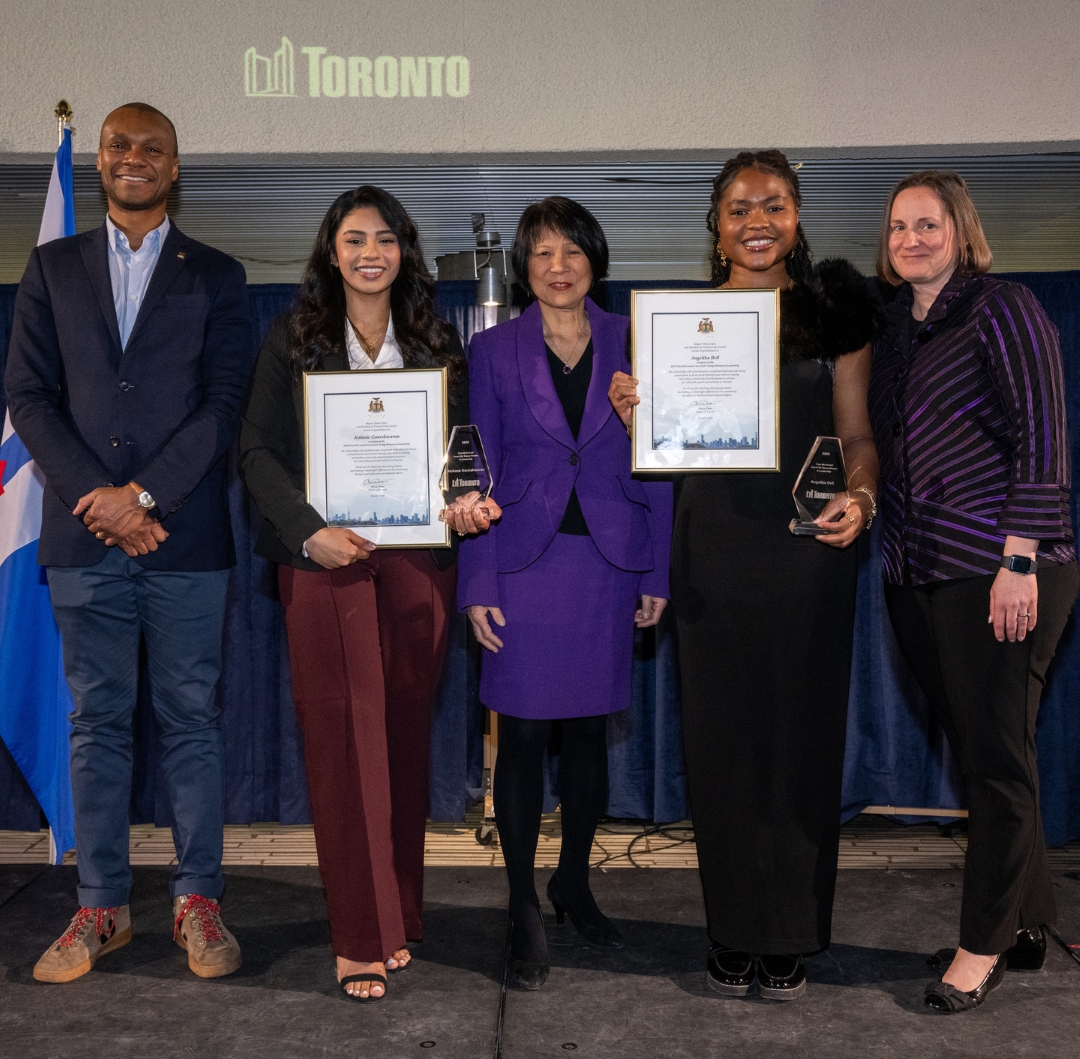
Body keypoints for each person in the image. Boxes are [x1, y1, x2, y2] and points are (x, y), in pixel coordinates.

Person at [611, 150, 882, 1001]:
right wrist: (635, 422)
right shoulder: (676, 321)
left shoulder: (835, 315)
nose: (756, 220)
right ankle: (731, 928)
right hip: (713, 552)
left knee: (801, 739)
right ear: (715, 224)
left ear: (797, 217)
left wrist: (865, 499)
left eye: (774, 204)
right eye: (738, 207)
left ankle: (792, 930)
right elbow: (658, 464)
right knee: (721, 744)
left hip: (810, 552)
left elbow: (859, 434)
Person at [6, 103, 252, 983]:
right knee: (96, 725)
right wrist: (99, 502)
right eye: (119, 145)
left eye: (152, 147)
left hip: (184, 543)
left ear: (176, 166)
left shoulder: (218, 275)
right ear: (97, 163)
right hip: (83, 545)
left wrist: (142, 497)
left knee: (192, 723)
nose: (133, 158)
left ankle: (198, 902)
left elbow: (224, 406)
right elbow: (29, 398)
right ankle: (100, 907)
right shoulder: (51, 267)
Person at [239, 186, 497, 1002]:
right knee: (342, 745)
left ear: (405, 251)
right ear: (331, 252)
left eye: (385, 238)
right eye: (354, 239)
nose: (370, 252)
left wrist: (463, 500)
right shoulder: (293, 337)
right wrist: (310, 530)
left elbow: (461, 454)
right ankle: (358, 935)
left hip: (418, 563)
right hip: (324, 562)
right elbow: (255, 453)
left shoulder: (437, 341)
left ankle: (398, 911)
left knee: (402, 742)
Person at [869, 170, 1077, 1013]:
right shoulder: (895, 331)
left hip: (1001, 566)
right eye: (898, 227)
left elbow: (1044, 432)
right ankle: (1025, 922)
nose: (912, 239)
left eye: (929, 224)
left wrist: (1020, 558)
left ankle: (980, 945)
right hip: (919, 569)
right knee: (991, 747)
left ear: (961, 231)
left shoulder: (1004, 308)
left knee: (993, 759)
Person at [459, 197, 672, 990]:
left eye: (573, 251)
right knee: (518, 741)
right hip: (520, 565)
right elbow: (473, 466)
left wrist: (658, 570)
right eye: (543, 253)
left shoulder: (635, 340)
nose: (558, 266)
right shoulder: (491, 350)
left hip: (609, 566)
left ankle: (572, 882)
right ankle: (520, 904)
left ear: (595, 259)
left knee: (588, 738)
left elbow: (664, 460)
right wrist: (476, 576)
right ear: (525, 265)